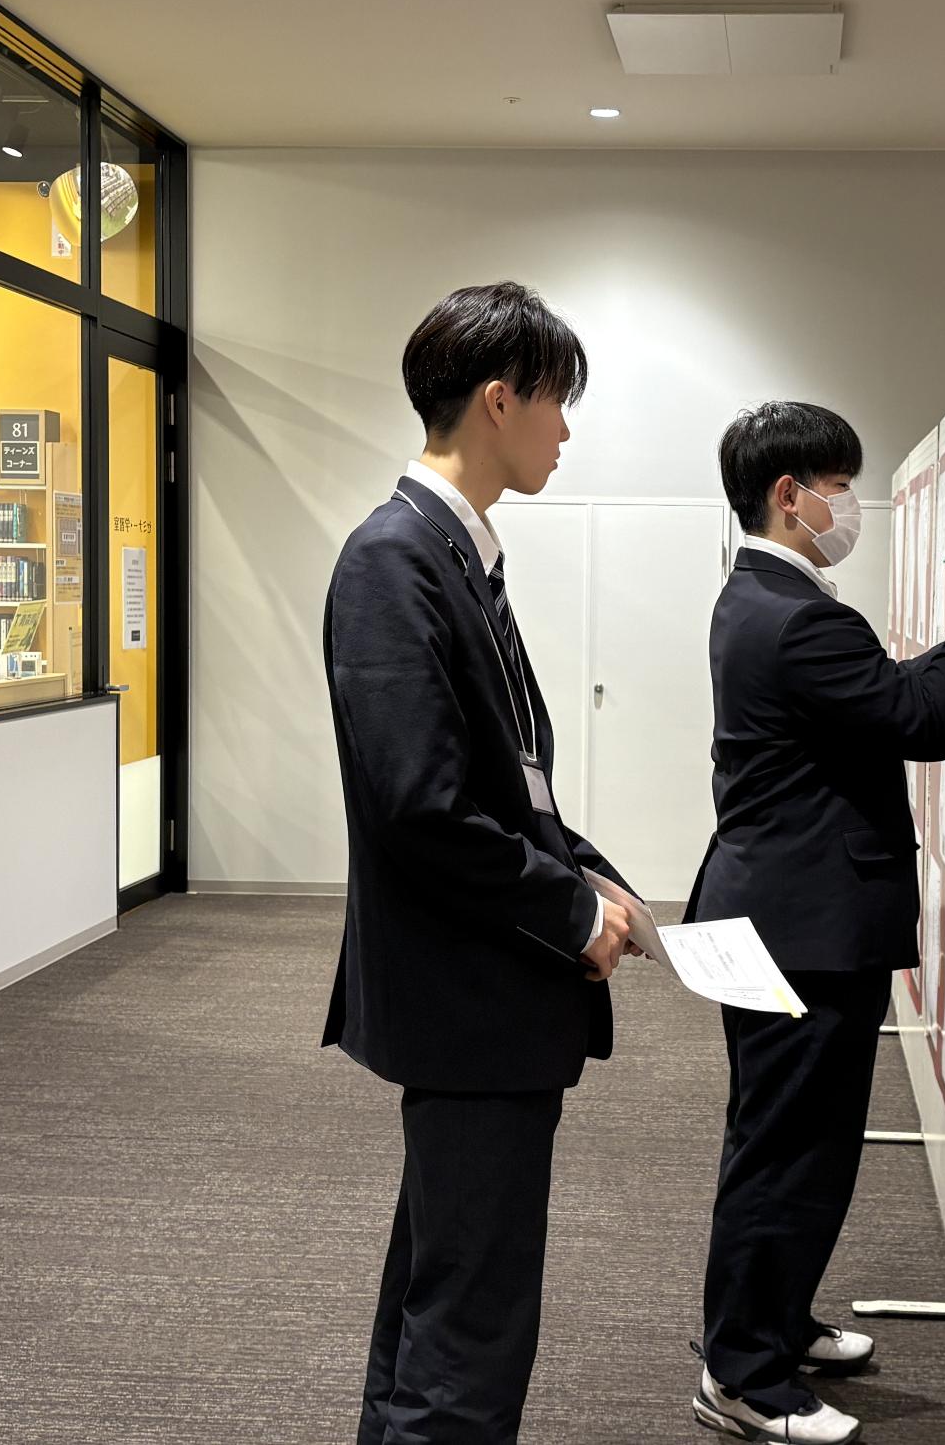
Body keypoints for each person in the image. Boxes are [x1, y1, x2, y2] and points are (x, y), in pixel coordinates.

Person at [321, 281, 639, 1445]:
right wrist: (570, 914)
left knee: (440, 1296)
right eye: (557, 402)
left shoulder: (452, 555)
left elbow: (511, 779)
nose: (566, 430)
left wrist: (590, 875)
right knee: (469, 1330)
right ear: (499, 402)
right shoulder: (393, 560)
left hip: (483, 993)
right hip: (470, 997)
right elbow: (422, 808)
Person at [686, 401, 945, 1443]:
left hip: (775, 914)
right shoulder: (798, 617)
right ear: (789, 496)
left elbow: (877, 700)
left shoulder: (755, 596)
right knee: (790, 1150)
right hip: (802, 932)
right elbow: (920, 718)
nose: (850, 506)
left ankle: (770, 1324)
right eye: (839, 487)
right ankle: (743, 1374)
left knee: (783, 1140)